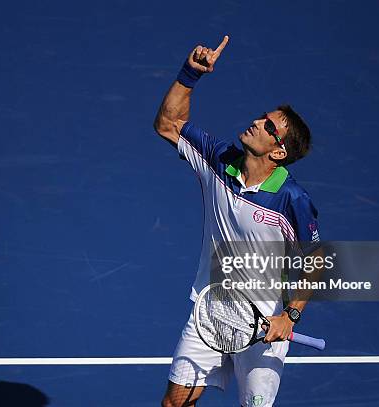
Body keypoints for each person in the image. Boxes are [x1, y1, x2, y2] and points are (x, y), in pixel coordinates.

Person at [153, 35, 322, 407]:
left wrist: (290, 316)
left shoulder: (292, 200)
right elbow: (169, 123)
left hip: (264, 325)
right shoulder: (216, 158)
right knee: (174, 404)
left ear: (278, 151)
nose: (257, 122)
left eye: (268, 125)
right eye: (262, 117)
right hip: (210, 312)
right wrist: (190, 74)